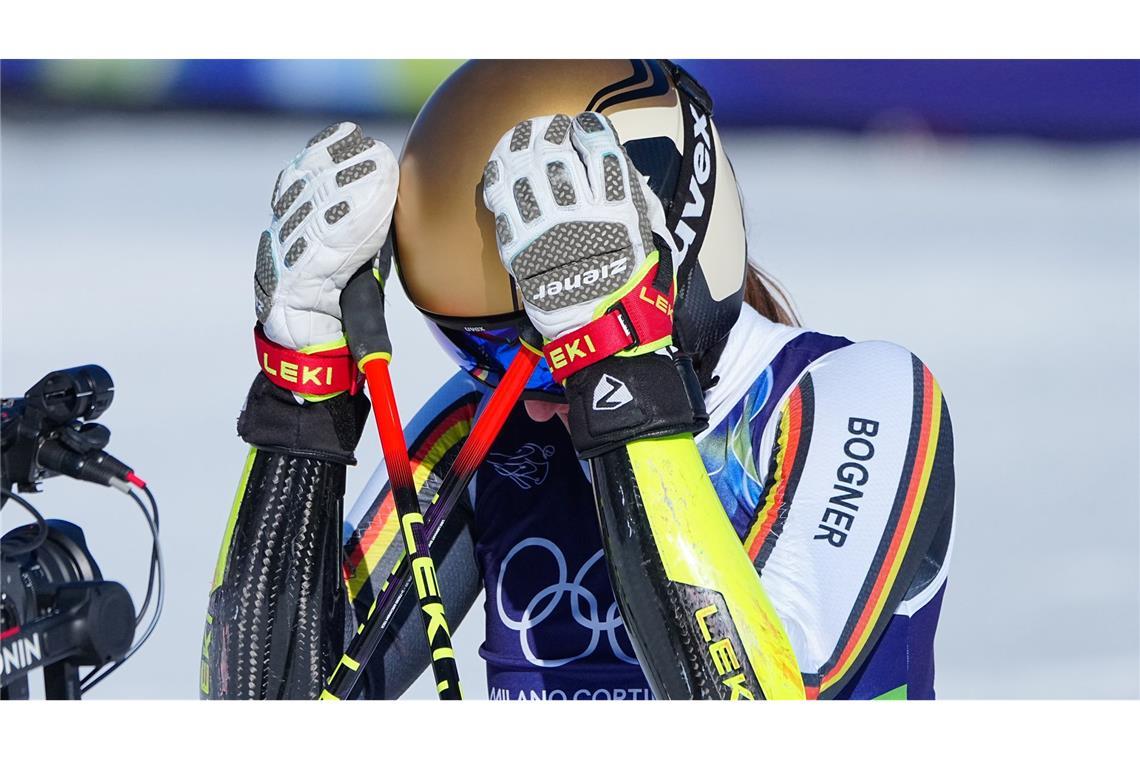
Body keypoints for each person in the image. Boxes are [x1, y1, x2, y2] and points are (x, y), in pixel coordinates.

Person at [201, 59, 955, 701]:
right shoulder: (489, 426)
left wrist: (619, 372)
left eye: (545, 350)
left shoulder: (861, 394)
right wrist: (303, 401)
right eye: (480, 353)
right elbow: (281, 705)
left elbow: (761, 700)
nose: (525, 398)